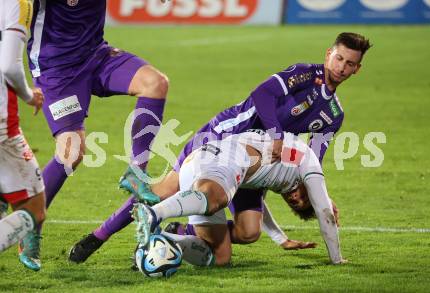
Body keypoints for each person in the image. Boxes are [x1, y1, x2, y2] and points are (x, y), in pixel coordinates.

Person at [69, 32, 371, 262]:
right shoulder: (304, 74)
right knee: (164, 191)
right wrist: (278, 135)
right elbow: (262, 95)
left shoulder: (334, 115)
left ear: (357, 69)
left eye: (350, 64)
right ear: (329, 53)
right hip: (224, 134)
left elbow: (315, 161)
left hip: (258, 158)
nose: (342, 67)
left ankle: (176, 234)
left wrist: (322, 199)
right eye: (339, 58)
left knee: (249, 231)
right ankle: (98, 237)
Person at [21, 0, 172, 268]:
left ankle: (136, 173)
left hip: (96, 54)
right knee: (71, 152)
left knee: (155, 83)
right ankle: (30, 224)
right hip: (57, 69)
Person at [133, 131, 346, 266]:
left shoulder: (277, 176)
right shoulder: (309, 166)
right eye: (305, 199)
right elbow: (324, 212)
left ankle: (159, 243)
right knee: (217, 199)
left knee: (219, 256)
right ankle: (154, 212)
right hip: (222, 159)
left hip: (202, 164)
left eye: (297, 206)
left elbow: (259, 207)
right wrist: (336, 259)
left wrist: (281, 238)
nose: (297, 200)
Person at [0, 0, 46, 271]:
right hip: (3, 127)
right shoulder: (19, 2)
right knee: (34, 208)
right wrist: (29, 96)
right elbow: (9, 67)